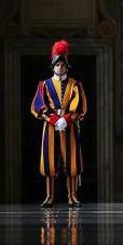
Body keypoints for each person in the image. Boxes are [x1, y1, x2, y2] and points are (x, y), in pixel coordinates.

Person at [30, 40, 88, 207]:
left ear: (66, 67)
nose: (60, 68)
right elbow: (38, 106)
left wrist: (67, 119)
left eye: (63, 65)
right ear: (53, 67)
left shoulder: (75, 84)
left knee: (72, 162)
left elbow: (80, 106)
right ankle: (49, 197)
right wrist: (55, 119)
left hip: (69, 126)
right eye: (57, 66)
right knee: (49, 163)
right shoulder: (44, 85)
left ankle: (72, 196)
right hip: (50, 127)